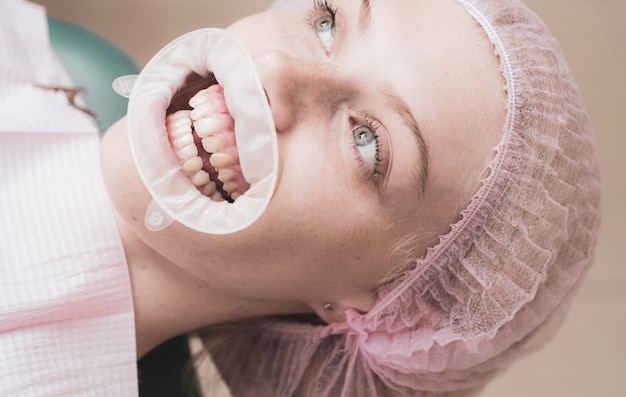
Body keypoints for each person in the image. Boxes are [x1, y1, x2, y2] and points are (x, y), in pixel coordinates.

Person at [1, 0, 601, 396]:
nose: (272, 71)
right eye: (327, 21)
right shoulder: (32, 57)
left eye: (368, 143)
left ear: (380, 309)